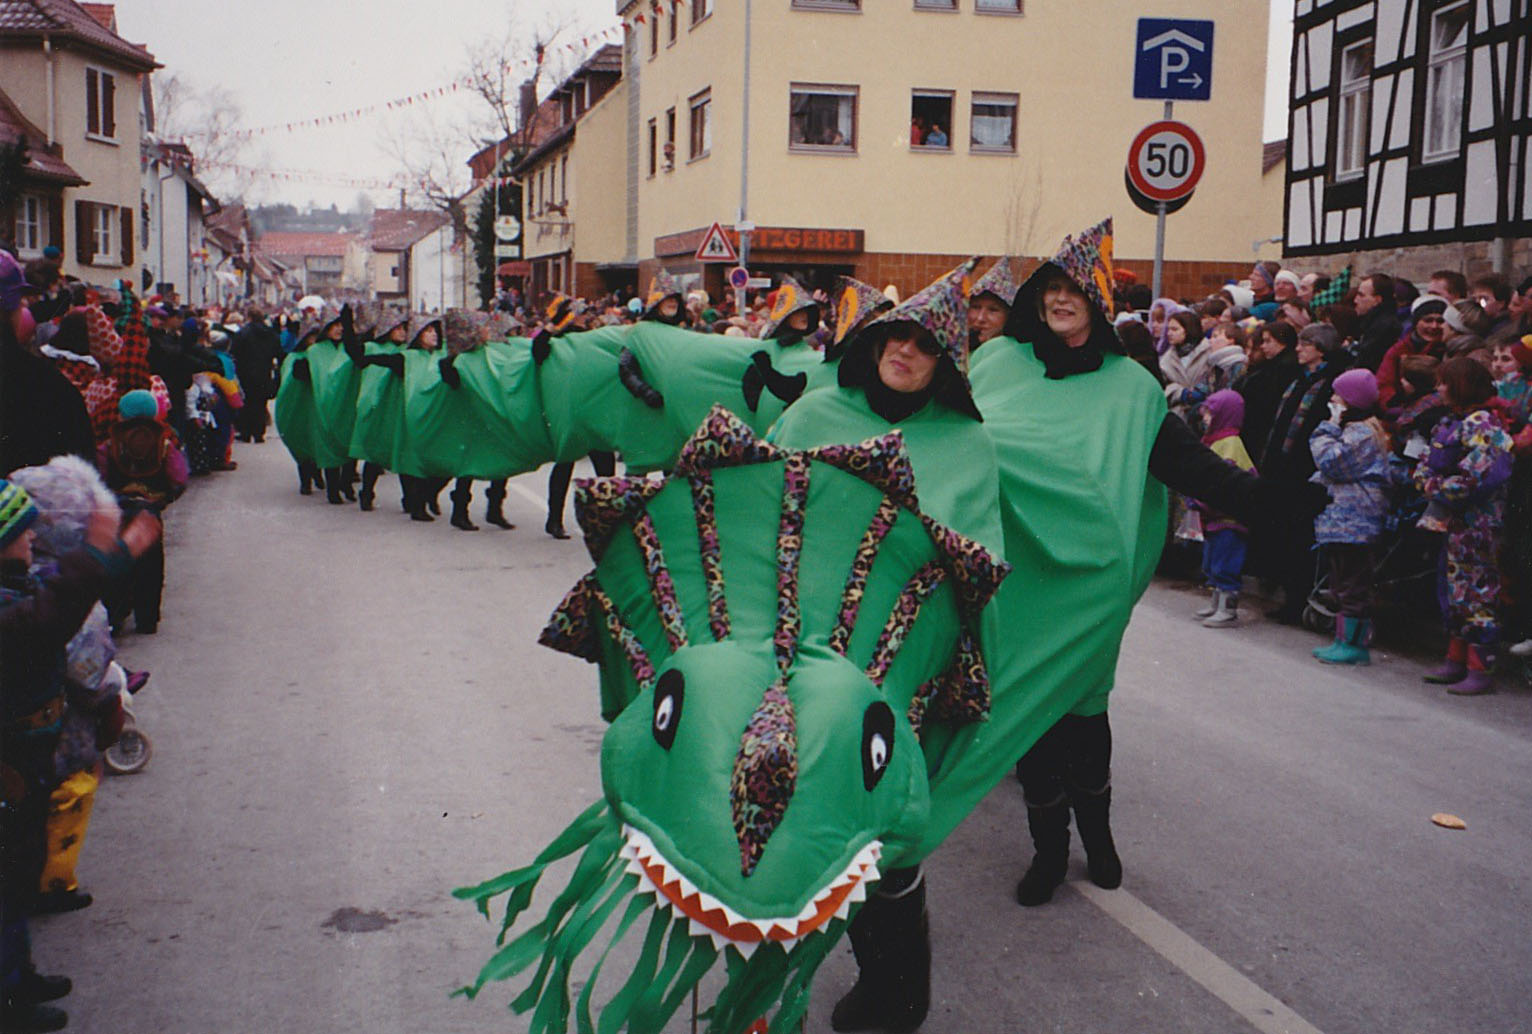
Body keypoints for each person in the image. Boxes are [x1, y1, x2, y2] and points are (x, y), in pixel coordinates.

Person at [0, 477, 159, 1034]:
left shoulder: (19, 582)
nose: (30, 542)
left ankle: (19, 973)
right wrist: (101, 551)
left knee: (18, 867)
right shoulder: (10, 604)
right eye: (20, 534)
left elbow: (62, 592)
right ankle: (9, 997)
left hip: (26, 756)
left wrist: (113, 553)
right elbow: (52, 614)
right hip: (10, 757)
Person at [1415, 357, 1516, 694]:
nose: (1439, 388)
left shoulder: (1485, 426)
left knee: (1478, 591)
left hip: (1478, 525)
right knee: (1454, 589)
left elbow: (1477, 477)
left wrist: (1434, 486)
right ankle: (1455, 658)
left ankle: (1480, 666)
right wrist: (1426, 479)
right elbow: (1425, 462)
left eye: (1444, 382)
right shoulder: (1451, 422)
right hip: (1451, 522)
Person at [1257, 323, 1347, 624]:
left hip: (1304, 474)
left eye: (1305, 344)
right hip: (1281, 469)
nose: (1298, 348)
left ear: (1320, 349)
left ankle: (1296, 601)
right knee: (1282, 533)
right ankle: (1286, 595)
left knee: (1299, 539)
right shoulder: (1299, 380)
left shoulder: (1329, 384)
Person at [1308, 369, 1391, 664]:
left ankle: (1354, 645)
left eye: (1337, 395)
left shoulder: (1360, 434)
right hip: (1345, 521)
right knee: (1342, 580)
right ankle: (1343, 639)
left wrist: (1327, 426)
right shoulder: (1359, 431)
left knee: (1353, 583)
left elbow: (1330, 461)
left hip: (1354, 520)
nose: (1332, 400)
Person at [96, 390, 188, 635]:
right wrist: (164, 498)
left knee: (117, 563)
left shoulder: (110, 444)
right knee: (151, 568)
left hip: (118, 514)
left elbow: (99, 477)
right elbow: (179, 476)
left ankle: (115, 615)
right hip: (149, 513)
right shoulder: (164, 443)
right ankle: (147, 619)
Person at [1190, 389, 1255, 627]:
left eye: (1210, 413)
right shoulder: (1215, 441)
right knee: (1212, 561)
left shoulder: (1230, 444)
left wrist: (1202, 499)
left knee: (1225, 561)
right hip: (1214, 516)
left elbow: (1224, 483)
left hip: (1228, 517)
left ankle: (1227, 608)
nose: (1205, 418)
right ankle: (1217, 601)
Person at [1377, 295, 1449, 409]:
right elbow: (1384, 384)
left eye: (1440, 321)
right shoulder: (1399, 350)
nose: (1434, 326)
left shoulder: (1448, 349)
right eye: (1428, 320)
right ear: (1416, 322)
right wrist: (1395, 402)